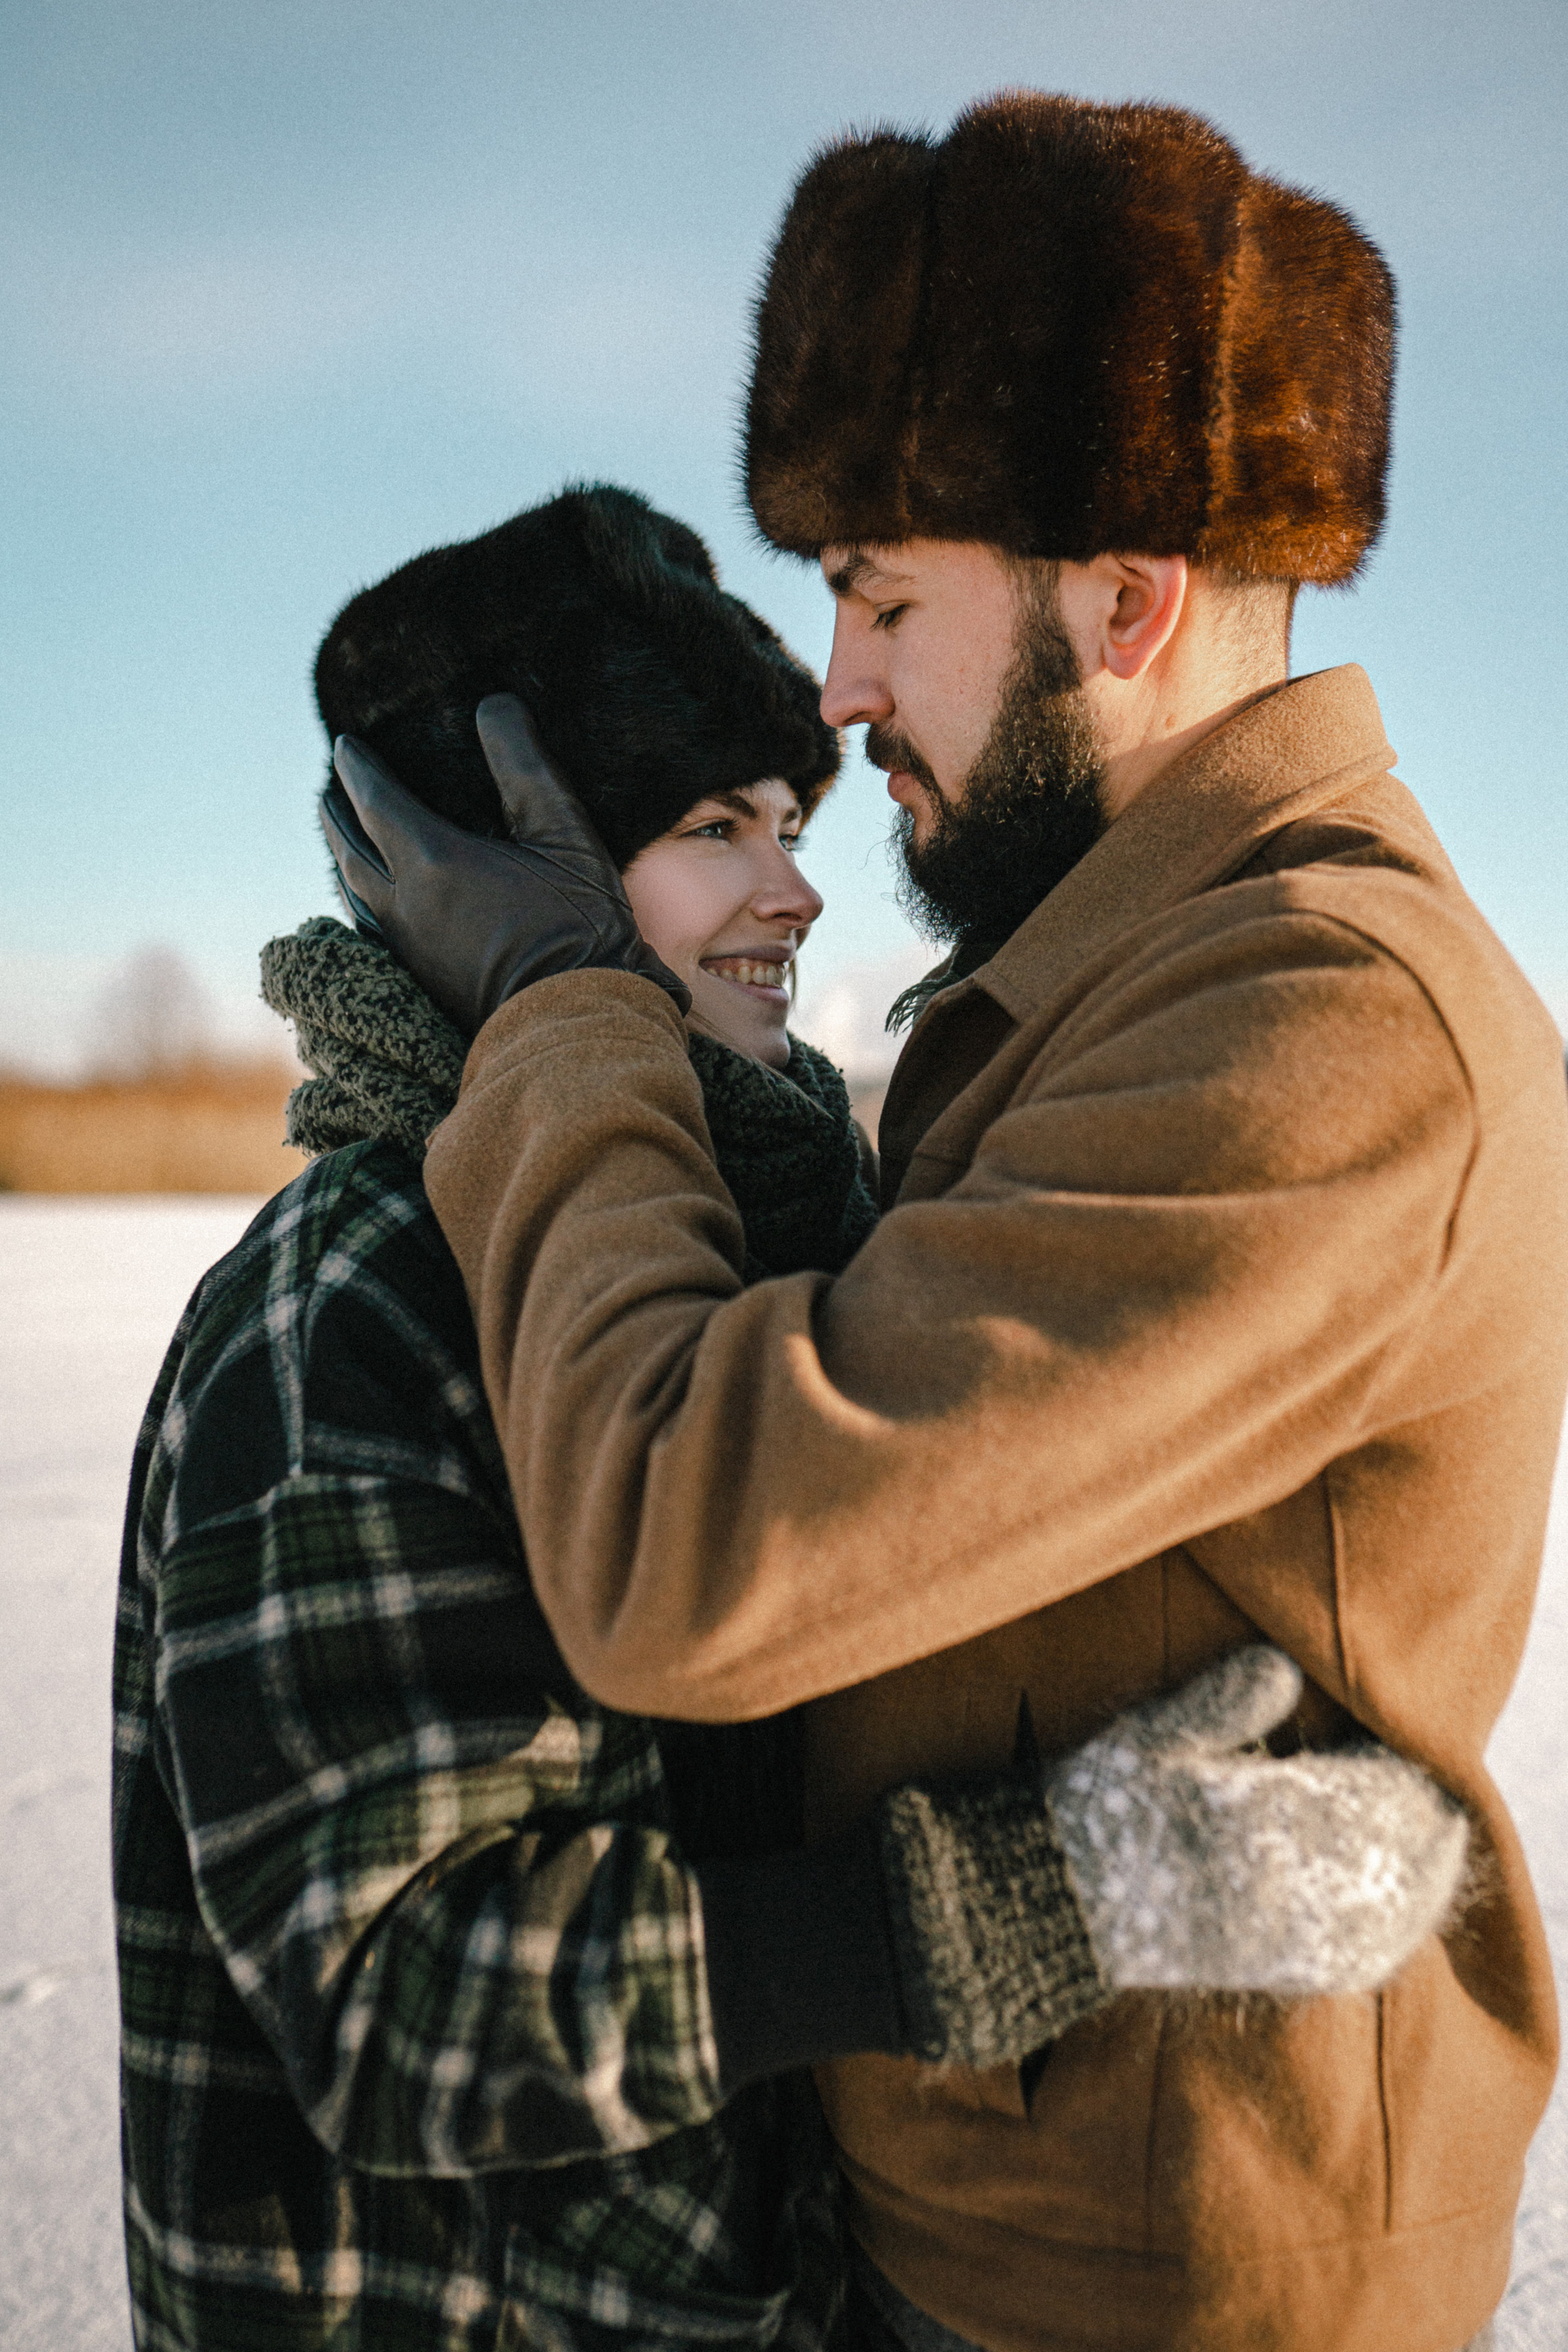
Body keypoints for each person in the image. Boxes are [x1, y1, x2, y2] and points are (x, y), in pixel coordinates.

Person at [326, 99, 1566, 2352]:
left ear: (1125, 592)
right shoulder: (1117, 975)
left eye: (888, 597)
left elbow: (689, 1543)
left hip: (1157, 2288)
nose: (838, 685)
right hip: (988, 2224)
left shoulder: (1323, 1024)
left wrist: (563, 1013)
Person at [115, 485, 1460, 2352]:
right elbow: (401, 2003)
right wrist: (1044, 1895)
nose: (799, 885)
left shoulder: (769, 1217)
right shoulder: (354, 1298)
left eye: (793, 822)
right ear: (501, 877)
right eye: (709, 829)